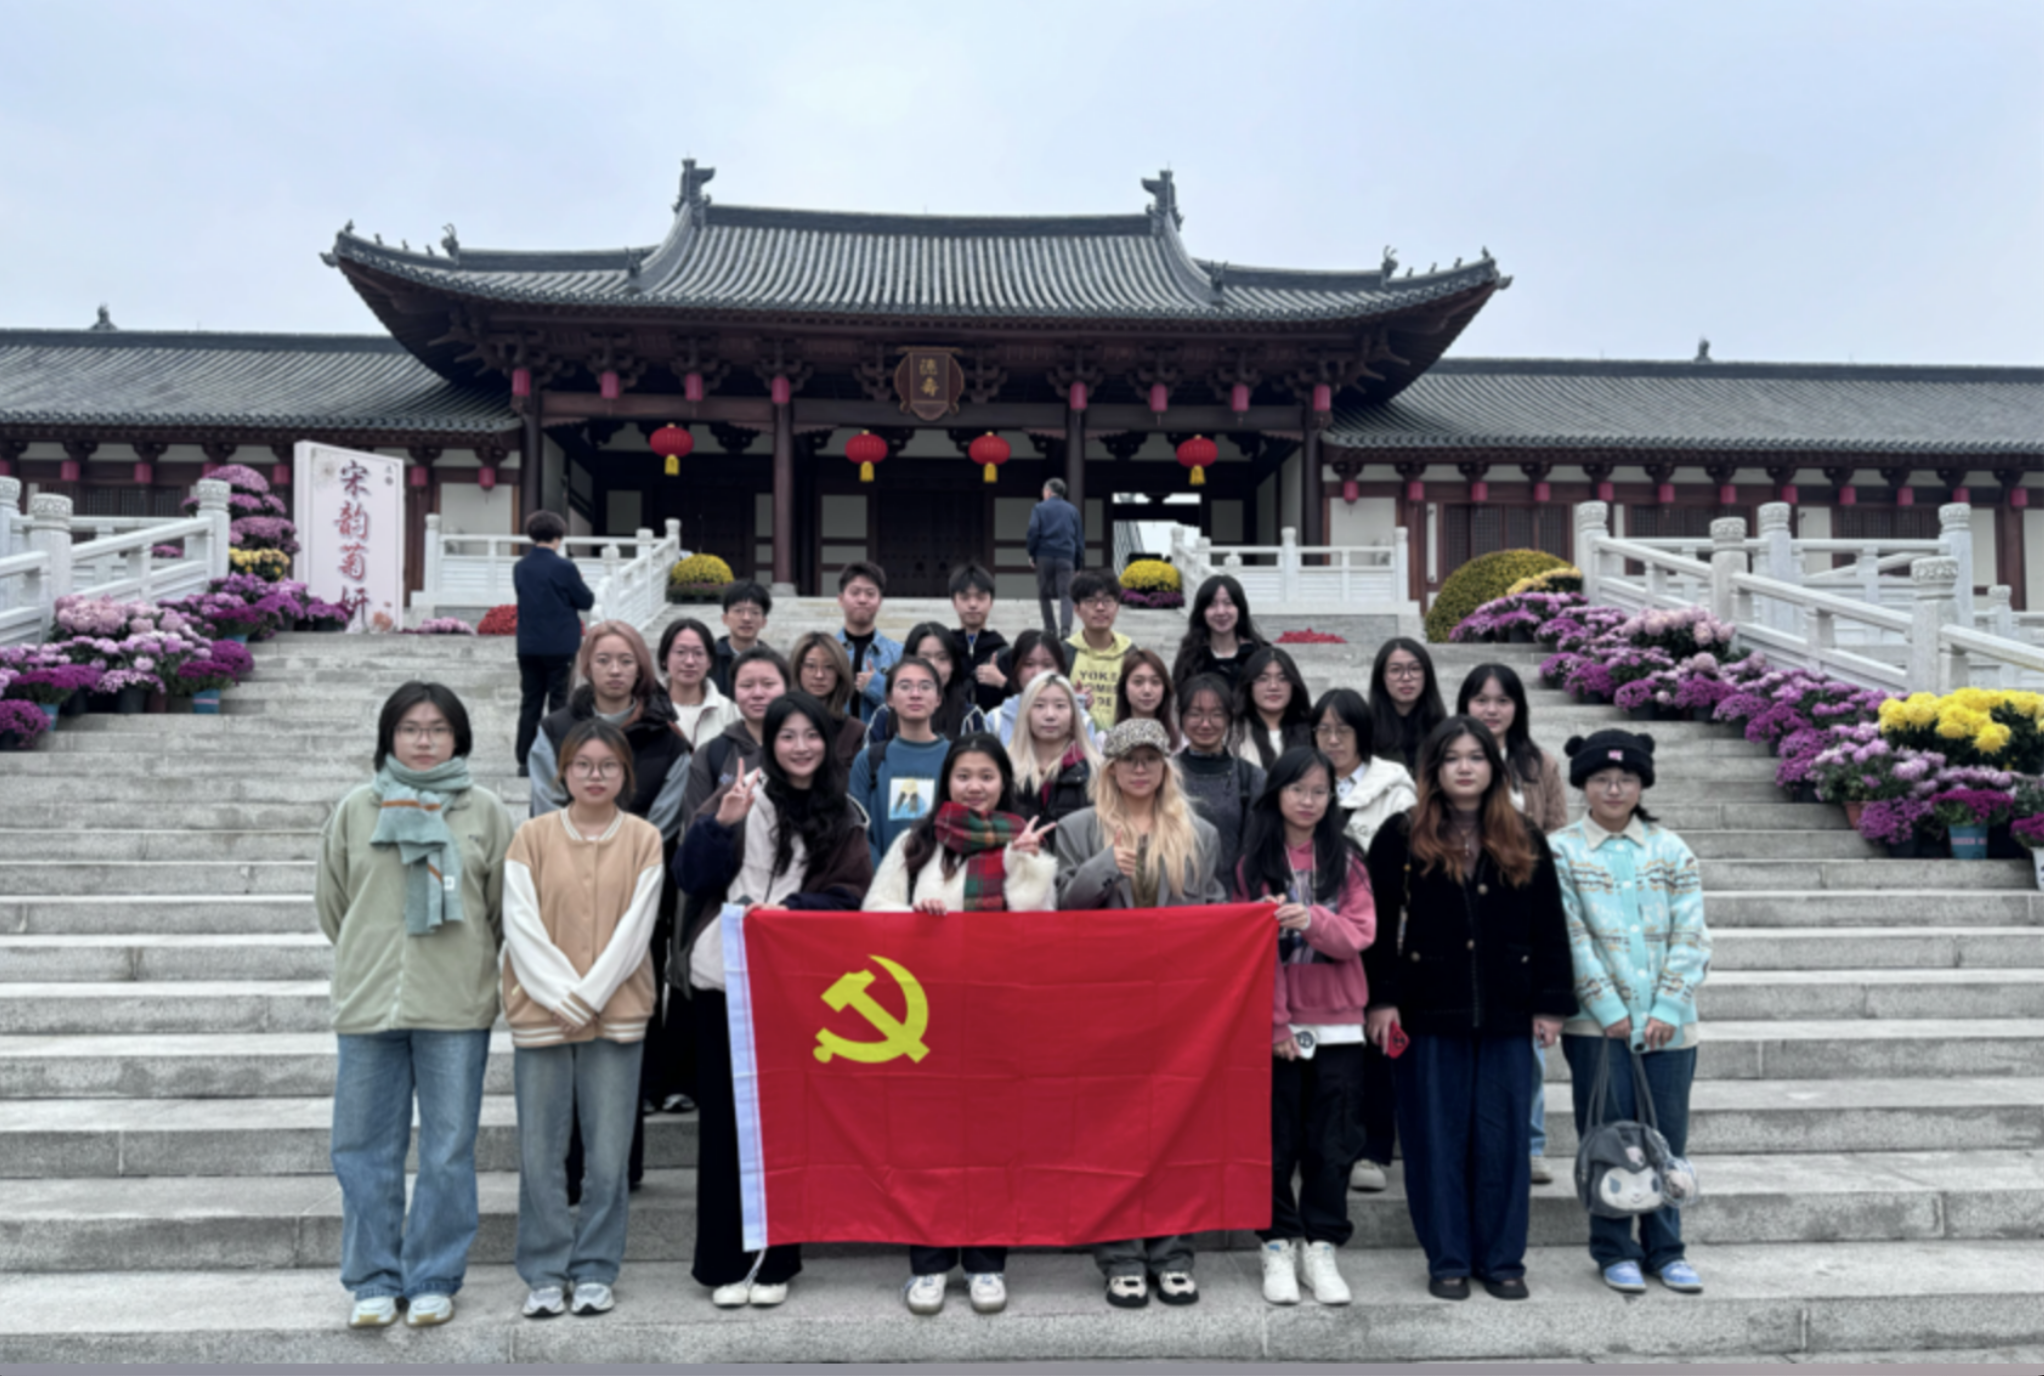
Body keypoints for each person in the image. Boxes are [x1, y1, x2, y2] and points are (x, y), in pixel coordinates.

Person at [317, 682, 516, 1330]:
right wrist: (371, 952)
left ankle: (433, 1275)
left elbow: (499, 908)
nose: (424, 741)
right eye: (409, 729)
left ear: (459, 738)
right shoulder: (357, 808)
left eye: (437, 729)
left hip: (454, 1001)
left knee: (448, 1149)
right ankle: (373, 1278)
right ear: (389, 737)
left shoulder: (485, 811)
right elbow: (334, 903)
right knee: (362, 1148)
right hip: (369, 1000)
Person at [1362, 717, 1574, 1303]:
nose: (1464, 767)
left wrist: (1551, 1004)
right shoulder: (1401, 835)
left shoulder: (1523, 834)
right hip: (1426, 1011)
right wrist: (1381, 998)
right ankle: (1449, 1257)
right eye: (1451, 757)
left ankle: (1502, 1259)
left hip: (1508, 1011)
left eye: (1476, 757)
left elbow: (1549, 925)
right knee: (1435, 1138)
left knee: (1503, 1140)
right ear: (1433, 769)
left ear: (1493, 767)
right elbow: (1378, 926)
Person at [673, 693, 874, 1309]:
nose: (800, 747)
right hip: (722, 978)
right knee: (724, 1127)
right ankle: (724, 1263)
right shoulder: (737, 794)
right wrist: (722, 823)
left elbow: (850, 896)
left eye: (811, 735)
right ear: (770, 741)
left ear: (827, 743)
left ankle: (776, 1260)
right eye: (787, 736)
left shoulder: (843, 813)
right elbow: (690, 877)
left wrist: (788, 912)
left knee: (784, 1126)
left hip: (792, 988)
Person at [863, 734, 1060, 1317]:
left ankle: (985, 1262)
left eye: (987, 776)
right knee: (925, 1146)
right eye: (964, 775)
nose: (975, 786)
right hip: (924, 1024)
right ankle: (928, 1263)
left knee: (994, 1145)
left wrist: (1026, 866)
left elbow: (1040, 932)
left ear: (1004, 783)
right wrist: (915, 916)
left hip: (999, 1020)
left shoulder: (1023, 841)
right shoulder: (915, 843)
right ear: (946, 781)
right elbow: (872, 914)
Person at [1053, 718, 1227, 1309]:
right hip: (1103, 1008)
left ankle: (1173, 1254)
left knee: (1175, 1131)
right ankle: (1121, 1257)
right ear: (1111, 768)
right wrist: (1106, 865)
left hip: (1178, 1012)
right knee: (1112, 1135)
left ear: (1165, 767)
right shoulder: (1078, 828)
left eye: (1151, 758)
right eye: (1129, 759)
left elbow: (1215, 915)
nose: (1140, 768)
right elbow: (1064, 906)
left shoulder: (1199, 832)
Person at [502, 719, 665, 1320]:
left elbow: (636, 929)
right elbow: (520, 925)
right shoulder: (531, 836)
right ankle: (544, 1270)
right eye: (583, 765)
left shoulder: (644, 838)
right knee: (540, 1153)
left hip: (617, 1013)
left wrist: (588, 998)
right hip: (541, 1014)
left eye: (608, 766)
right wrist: (562, 997)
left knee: (608, 1154)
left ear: (625, 774)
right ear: (562, 771)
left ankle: (596, 1267)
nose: (595, 776)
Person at [1547, 729, 1711, 1297]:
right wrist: (1607, 1007)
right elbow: (1569, 936)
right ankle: (1614, 1248)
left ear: (1642, 784)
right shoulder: (1561, 850)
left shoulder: (1671, 849)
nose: (1613, 789)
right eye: (1600, 779)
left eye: (1626, 779)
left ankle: (1667, 1249)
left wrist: (1668, 1005)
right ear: (1582, 784)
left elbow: (1692, 934)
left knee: (1667, 1139)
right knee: (1611, 1139)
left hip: (1671, 1026)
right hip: (1598, 1028)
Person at [526, 622, 689, 1184]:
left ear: (641, 667)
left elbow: (663, 824)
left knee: (624, 1028)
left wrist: (617, 859)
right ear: (586, 666)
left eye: (626, 661)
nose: (615, 670)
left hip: (638, 901)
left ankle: (621, 1166)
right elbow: (545, 805)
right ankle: (566, 1165)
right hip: (565, 901)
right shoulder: (555, 729)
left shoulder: (668, 737)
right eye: (604, 660)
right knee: (567, 1023)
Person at [1236, 747, 1377, 1308]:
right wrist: (1274, 1025)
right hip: (1278, 1029)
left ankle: (1322, 1245)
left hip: (1340, 1024)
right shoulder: (1252, 865)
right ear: (1276, 794)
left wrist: (1312, 918)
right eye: (1297, 790)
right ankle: (1276, 1244)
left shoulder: (1349, 859)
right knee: (1275, 1144)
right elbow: (1249, 956)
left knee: (1332, 1144)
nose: (1309, 801)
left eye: (1320, 791)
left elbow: (1359, 934)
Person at [1457, 661, 1571, 1185]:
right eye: (1481, 699)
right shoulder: (1450, 756)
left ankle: (1530, 1142)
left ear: (1517, 708)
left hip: (1520, 913)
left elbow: (1556, 834)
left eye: (1502, 700)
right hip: (1463, 913)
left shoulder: (1538, 763)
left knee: (1526, 1042)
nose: (1491, 709)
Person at [1308, 687, 1416, 1195]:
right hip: (1314, 934)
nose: (1333, 740)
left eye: (1343, 730)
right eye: (1323, 730)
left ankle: (1373, 1148)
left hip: (1376, 934)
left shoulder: (1394, 789)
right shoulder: (1304, 782)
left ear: (1363, 734)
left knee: (1375, 1040)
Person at [645, 617, 743, 1118]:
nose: (688, 660)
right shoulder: (646, 709)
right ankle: (647, 1079)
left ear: (711, 658)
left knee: (686, 963)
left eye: (698, 652)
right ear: (664, 658)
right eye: (679, 651)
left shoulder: (729, 713)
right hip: (650, 849)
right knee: (647, 960)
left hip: (701, 851)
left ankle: (681, 1078)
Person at [848, 658, 954, 869]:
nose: (915, 694)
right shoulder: (869, 760)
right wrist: (886, 876)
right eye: (905, 686)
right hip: (883, 881)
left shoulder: (957, 757)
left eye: (925, 686)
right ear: (889, 699)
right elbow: (857, 830)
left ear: (938, 699)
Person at [677, 647, 791, 837]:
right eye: (746, 685)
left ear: (787, 688)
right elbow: (694, 832)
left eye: (768, 684)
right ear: (733, 691)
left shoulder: (805, 750)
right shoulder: (711, 753)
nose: (757, 693)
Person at [514, 510, 594, 777]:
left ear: (532, 535)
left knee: (530, 702)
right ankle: (559, 757)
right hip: (560, 643)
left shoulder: (521, 567)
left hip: (528, 644)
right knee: (559, 702)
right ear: (559, 536)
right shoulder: (565, 568)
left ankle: (525, 760)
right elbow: (586, 600)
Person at [1176, 674, 1265, 887]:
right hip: (1174, 897)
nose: (1205, 724)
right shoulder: (1163, 774)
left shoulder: (1252, 778)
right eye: (1195, 714)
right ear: (1180, 716)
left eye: (1216, 714)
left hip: (1231, 897)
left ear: (1229, 717)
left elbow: (1257, 851)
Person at [864, 623, 990, 744]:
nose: (933, 666)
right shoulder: (885, 715)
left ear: (953, 665)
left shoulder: (970, 717)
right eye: (924, 659)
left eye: (942, 658)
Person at [1006, 671, 1099, 827]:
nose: (1050, 715)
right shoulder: (1005, 769)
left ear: (1073, 715)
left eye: (1060, 706)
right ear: (1026, 713)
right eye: (1039, 705)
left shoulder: (1094, 770)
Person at [789, 630, 872, 769]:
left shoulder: (855, 731)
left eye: (829, 667)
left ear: (839, 673)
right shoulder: (781, 723)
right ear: (798, 669)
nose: (819, 675)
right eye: (810, 666)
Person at [1170, 574, 1266, 694]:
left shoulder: (1259, 653)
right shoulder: (1190, 657)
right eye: (1212, 604)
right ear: (1202, 612)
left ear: (1240, 609)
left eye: (1228, 603)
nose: (1220, 612)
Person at [1066, 568, 1134, 733]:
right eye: (1091, 601)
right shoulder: (1066, 653)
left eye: (1107, 601)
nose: (1100, 608)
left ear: (1117, 607)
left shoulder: (1130, 653)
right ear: (1077, 609)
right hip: (1076, 743)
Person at [834, 561, 901, 723]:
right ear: (841, 599)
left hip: (881, 738)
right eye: (855, 593)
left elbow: (908, 703)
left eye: (870, 594)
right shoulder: (827, 650)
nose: (862, 599)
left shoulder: (898, 653)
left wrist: (876, 685)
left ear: (880, 602)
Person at [1369, 638, 1447, 774]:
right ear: (1382, 677)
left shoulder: (1445, 731)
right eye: (1395, 670)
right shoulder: (1365, 731)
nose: (1406, 677)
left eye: (1415, 669)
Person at [1234, 646, 1315, 769]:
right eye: (1263, 679)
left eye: (1283, 679)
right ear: (1249, 686)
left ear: (1293, 685)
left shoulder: (1314, 729)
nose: (1273, 686)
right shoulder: (1232, 732)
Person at [1025, 477, 1083, 641]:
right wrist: (1077, 564)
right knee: (1066, 594)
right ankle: (1065, 630)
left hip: (1044, 555)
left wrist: (1032, 554)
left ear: (1049, 492)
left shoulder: (1039, 508)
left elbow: (1033, 531)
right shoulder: (1072, 510)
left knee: (1044, 594)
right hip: (1066, 556)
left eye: (1044, 491)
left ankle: (1050, 629)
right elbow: (1079, 540)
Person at [950, 561, 1011, 716]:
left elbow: (1023, 700)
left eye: (980, 597)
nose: (972, 604)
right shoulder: (944, 648)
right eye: (965, 597)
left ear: (991, 602)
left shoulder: (1005, 652)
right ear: (954, 603)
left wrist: (1002, 682)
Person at [708, 581, 773, 696]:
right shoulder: (709, 660)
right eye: (738, 611)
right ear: (725, 618)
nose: (746, 618)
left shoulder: (773, 662)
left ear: (764, 622)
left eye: (754, 612)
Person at [1114, 648, 1182, 751]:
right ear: (1124, 687)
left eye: (1155, 682)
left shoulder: (1181, 741)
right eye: (1138, 682)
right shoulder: (1105, 739)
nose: (1147, 690)